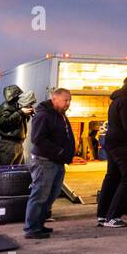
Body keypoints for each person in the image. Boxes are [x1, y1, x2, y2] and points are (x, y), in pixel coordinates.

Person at [95, 75, 127, 229]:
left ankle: (103, 215)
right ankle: (114, 216)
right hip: (125, 146)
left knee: (112, 178)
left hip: (113, 145)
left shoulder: (117, 100)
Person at [23, 88, 74, 240]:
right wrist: (58, 151)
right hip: (45, 162)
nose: (68, 103)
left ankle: (39, 224)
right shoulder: (44, 115)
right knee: (40, 195)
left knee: (51, 195)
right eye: (66, 100)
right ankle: (32, 228)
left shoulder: (59, 115)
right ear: (55, 99)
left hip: (57, 162)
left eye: (69, 100)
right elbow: (38, 139)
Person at [0, 84, 32, 166]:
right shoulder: (4, 107)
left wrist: (26, 114)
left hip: (17, 144)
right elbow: (4, 122)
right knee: (3, 171)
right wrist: (21, 112)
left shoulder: (16, 106)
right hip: (9, 144)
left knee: (16, 173)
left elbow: (18, 123)